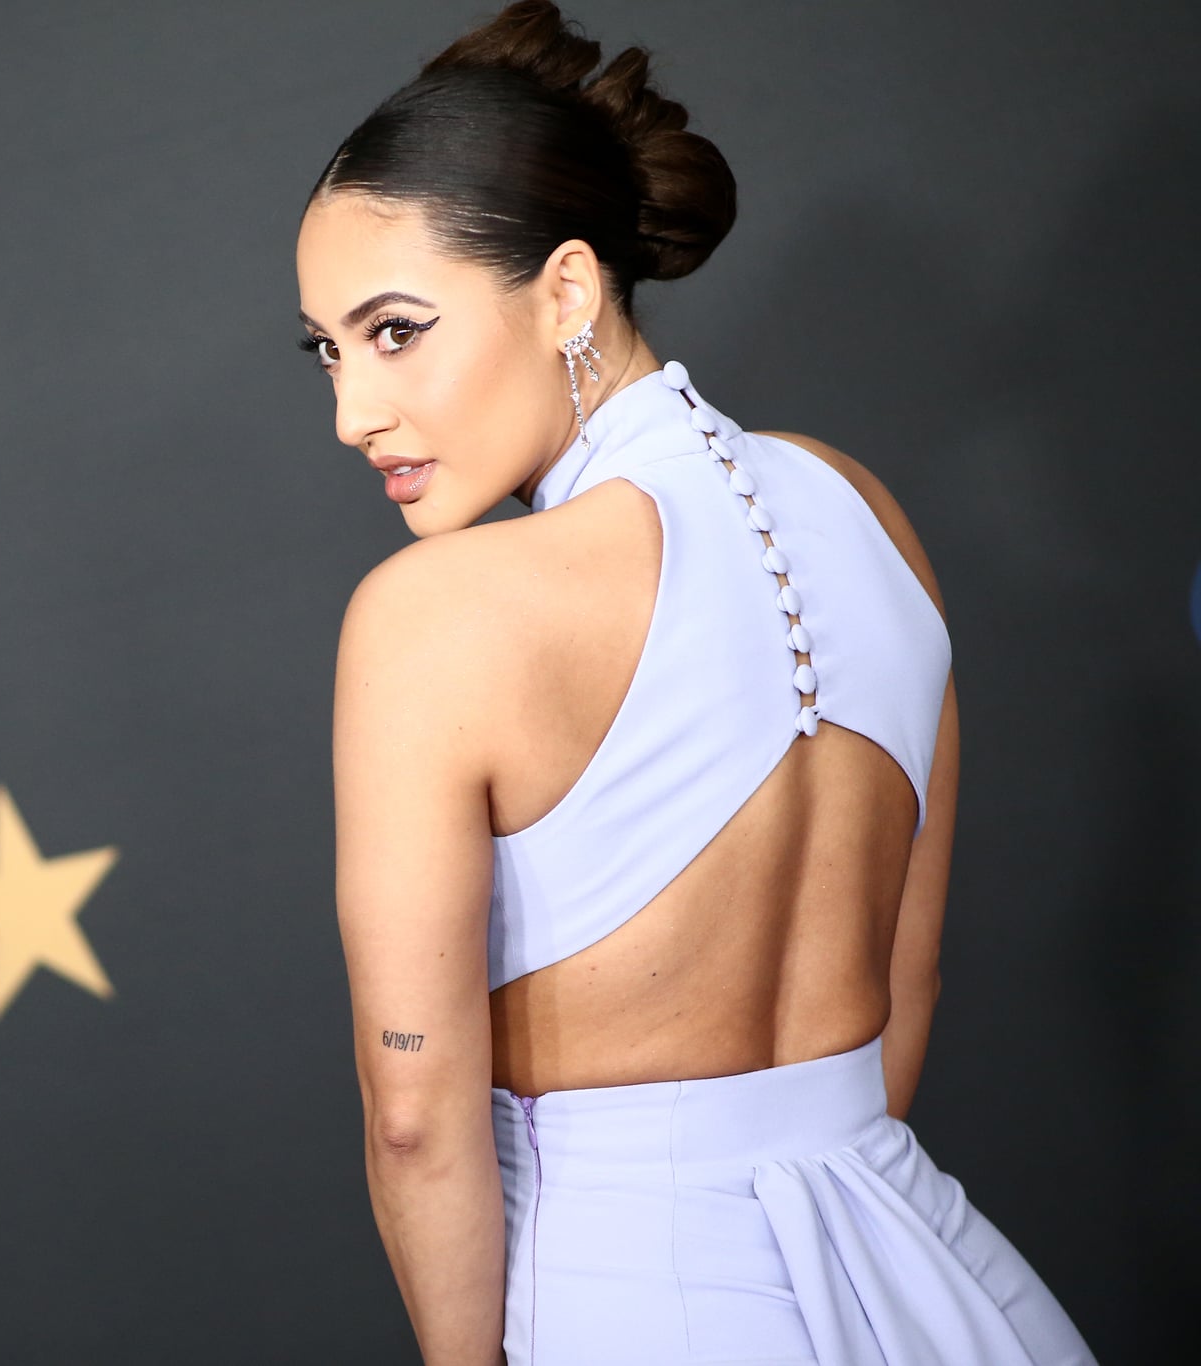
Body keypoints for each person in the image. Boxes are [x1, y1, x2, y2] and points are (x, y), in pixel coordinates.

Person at [295, 4, 1096, 1363]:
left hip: (631, 1291)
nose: (351, 411)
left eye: (394, 331)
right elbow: (904, 980)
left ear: (565, 288)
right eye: (325, 348)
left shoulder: (435, 617)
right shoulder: (863, 508)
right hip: (929, 1276)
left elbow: (416, 1112)